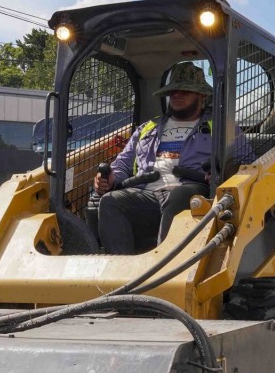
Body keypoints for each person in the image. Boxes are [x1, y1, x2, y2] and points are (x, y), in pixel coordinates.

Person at [94, 62, 251, 255]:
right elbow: (122, 165)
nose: (177, 95)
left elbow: (247, 164)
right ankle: (121, 266)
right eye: (173, 91)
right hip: (147, 193)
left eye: (185, 91)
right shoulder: (147, 128)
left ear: (201, 96)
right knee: (110, 201)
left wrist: (224, 174)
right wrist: (110, 179)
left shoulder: (222, 128)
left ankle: (162, 265)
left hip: (194, 193)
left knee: (178, 196)